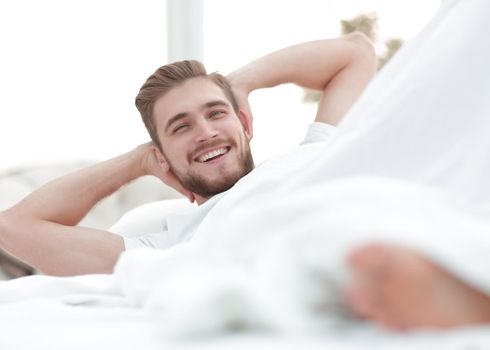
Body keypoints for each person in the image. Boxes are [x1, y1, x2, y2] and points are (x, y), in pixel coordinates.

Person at [0, 32, 376, 275]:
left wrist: (241, 82)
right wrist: (137, 161)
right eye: (181, 127)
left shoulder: (317, 155)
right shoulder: (164, 249)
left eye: (216, 112)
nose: (206, 133)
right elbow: (13, 226)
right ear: (161, 156)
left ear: (244, 122)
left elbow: (355, 52)